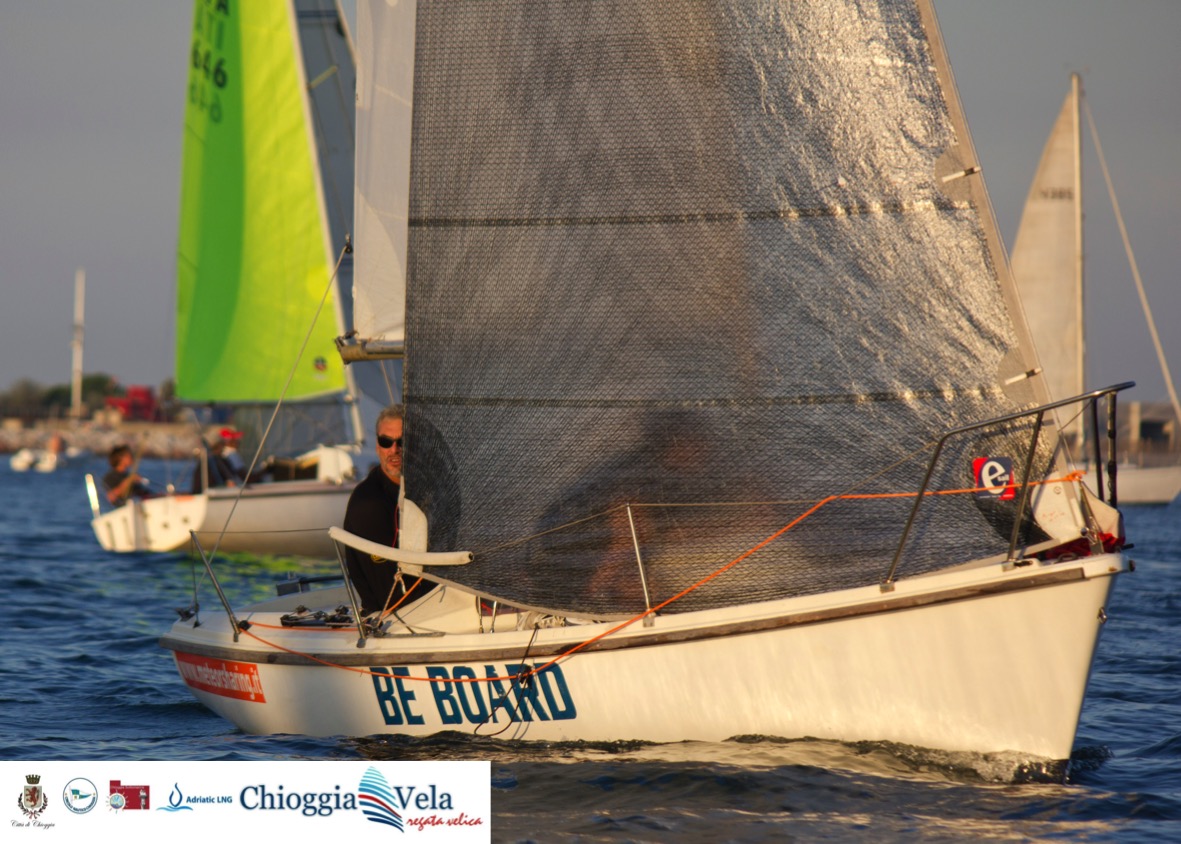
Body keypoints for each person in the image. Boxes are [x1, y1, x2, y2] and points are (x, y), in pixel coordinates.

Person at [343, 404, 436, 614]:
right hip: (397, 618)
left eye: (402, 442)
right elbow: (388, 594)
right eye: (386, 442)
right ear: (378, 446)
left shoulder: (431, 490)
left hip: (440, 602)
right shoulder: (368, 504)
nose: (394, 450)